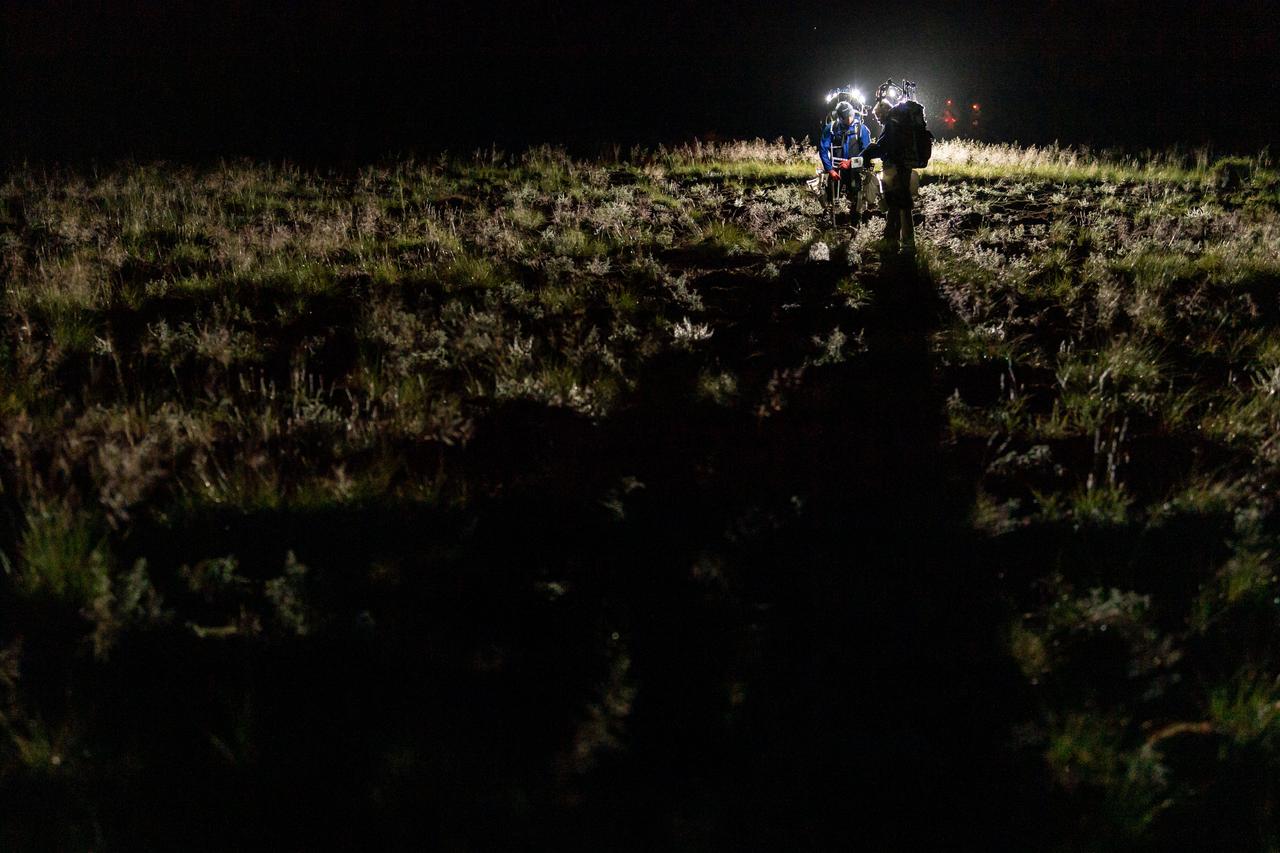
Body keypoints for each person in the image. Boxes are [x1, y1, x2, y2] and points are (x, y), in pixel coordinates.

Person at [861, 96, 922, 252]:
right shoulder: (899, 124)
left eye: (878, 116)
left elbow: (883, 146)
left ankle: (903, 243)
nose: (878, 120)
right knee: (900, 203)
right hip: (903, 167)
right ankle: (893, 239)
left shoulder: (891, 125)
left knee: (899, 202)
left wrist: (866, 153)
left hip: (895, 168)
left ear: (883, 112)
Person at [818, 100, 872, 227]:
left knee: (856, 196)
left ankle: (855, 224)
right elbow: (823, 149)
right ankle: (831, 222)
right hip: (836, 170)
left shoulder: (861, 129)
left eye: (850, 116)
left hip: (855, 170)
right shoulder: (831, 128)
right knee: (831, 197)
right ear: (839, 117)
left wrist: (851, 163)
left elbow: (868, 152)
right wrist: (830, 169)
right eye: (845, 117)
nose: (849, 119)